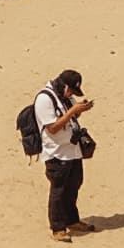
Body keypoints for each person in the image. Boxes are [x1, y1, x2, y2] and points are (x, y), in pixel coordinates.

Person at [31, 69, 91, 236]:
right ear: (63, 85)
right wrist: (72, 112)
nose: (71, 94)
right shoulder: (44, 99)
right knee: (59, 190)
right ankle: (58, 228)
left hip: (72, 150)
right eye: (71, 90)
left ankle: (72, 220)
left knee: (74, 186)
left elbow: (69, 118)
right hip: (56, 153)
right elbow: (53, 128)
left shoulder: (65, 97)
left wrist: (79, 110)